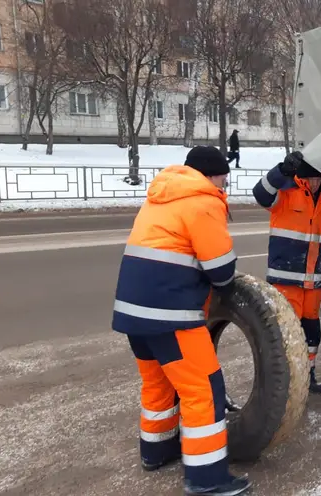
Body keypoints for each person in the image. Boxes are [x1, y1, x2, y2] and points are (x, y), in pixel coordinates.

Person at [112, 146, 251, 496]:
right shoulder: (203, 201)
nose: (226, 184)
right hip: (170, 316)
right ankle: (207, 479)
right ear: (211, 175)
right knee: (203, 390)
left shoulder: (161, 197)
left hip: (133, 314)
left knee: (158, 383)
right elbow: (221, 270)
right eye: (224, 177)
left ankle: (157, 451)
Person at [252, 151, 321, 394]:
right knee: (286, 331)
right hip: (287, 278)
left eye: (318, 179)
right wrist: (281, 171)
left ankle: (308, 375)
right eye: (310, 179)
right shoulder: (285, 194)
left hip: (314, 281)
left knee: (311, 331)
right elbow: (260, 193)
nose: (314, 183)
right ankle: (283, 380)